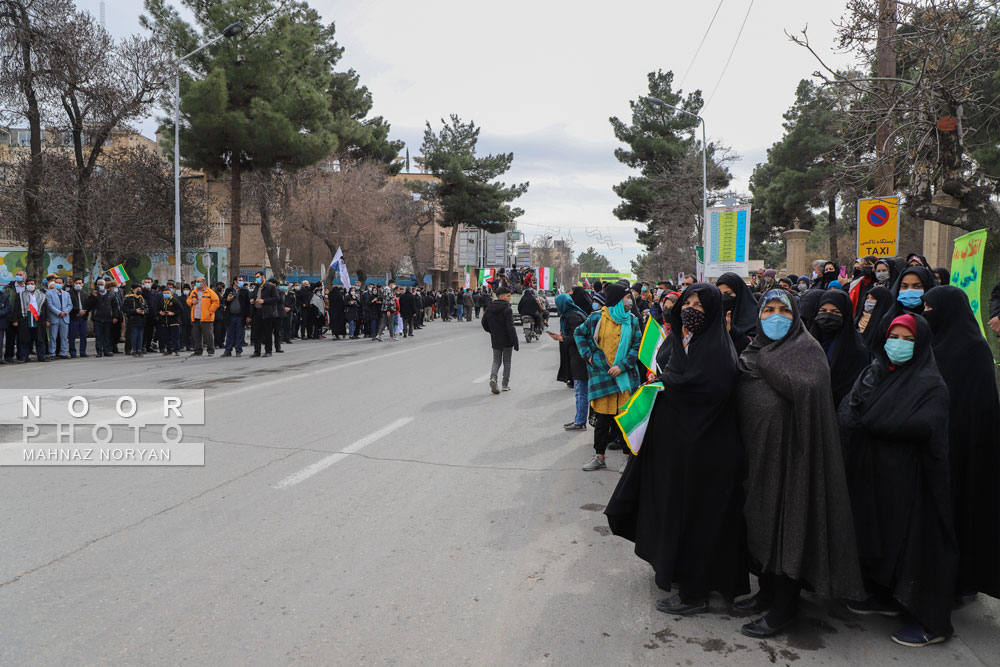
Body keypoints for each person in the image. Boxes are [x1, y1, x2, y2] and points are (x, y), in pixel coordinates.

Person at [605, 283, 748, 614]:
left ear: (714, 311)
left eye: (700, 304)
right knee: (679, 517)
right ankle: (684, 577)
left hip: (704, 455)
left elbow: (702, 395)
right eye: (688, 302)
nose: (691, 309)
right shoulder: (688, 342)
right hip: (681, 452)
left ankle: (695, 595)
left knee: (698, 521)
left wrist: (667, 386)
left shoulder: (716, 351)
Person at [733, 289, 865, 637]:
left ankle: (784, 609)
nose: (775, 317)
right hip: (757, 458)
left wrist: (771, 367)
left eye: (784, 311)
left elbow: (812, 396)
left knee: (787, 527)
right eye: (769, 310)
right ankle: (766, 592)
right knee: (761, 522)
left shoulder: (807, 352)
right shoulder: (751, 353)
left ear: (795, 318)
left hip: (795, 460)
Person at [838, 313, 957, 647]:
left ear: (920, 345)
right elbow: (851, 409)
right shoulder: (875, 372)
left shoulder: (930, 383)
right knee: (882, 536)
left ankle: (932, 624)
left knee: (916, 546)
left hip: (913, 480)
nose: (899, 345)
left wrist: (876, 421)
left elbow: (924, 426)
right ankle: (886, 597)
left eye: (908, 340)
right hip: (877, 474)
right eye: (895, 337)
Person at [923, 286, 1000, 603]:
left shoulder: (974, 350)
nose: (925, 313)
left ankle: (954, 586)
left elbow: (978, 411)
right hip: (935, 447)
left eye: (930, 307)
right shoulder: (932, 345)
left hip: (961, 453)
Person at [574, 281, 642, 473]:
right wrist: (589, 356)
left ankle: (628, 459)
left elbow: (638, 346)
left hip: (625, 379)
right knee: (602, 421)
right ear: (616, 300)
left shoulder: (633, 321)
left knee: (626, 421)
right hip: (602, 377)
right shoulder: (596, 318)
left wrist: (622, 366)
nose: (631, 301)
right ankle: (599, 457)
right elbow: (579, 333)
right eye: (627, 298)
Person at [810, 290, 869, 406]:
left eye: (835, 312)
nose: (827, 315)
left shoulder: (857, 349)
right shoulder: (809, 341)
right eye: (822, 311)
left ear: (846, 314)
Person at [551, 293, 589, 430]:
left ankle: (580, 421)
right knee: (581, 390)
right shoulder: (575, 314)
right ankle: (579, 419)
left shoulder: (573, 317)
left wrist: (562, 339)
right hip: (578, 356)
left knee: (581, 391)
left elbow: (578, 338)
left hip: (580, 358)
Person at [482, 286, 518, 393]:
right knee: (507, 361)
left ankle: (493, 378)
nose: (510, 298)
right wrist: (515, 341)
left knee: (496, 360)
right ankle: (505, 385)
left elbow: (484, 323)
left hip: (496, 338)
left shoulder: (489, 307)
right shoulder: (507, 309)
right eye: (508, 296)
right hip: (507, 340)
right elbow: (510, 327)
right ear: (501, 297)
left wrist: (492, 331)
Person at [716, 272, 757, 355]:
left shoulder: (757, 315)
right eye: (720, 295)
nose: (724, 298)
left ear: (739, 292)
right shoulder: (717, 315)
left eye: (728, 293)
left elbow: (755, 346)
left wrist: (732, 331)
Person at [16, 277, 48, 362]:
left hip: (38, 318)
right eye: (28, 284)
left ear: (35, 285)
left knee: (39, 339)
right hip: (25, 318)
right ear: (26, 286)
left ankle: (41, 356)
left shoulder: (42, 295)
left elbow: (46, 308)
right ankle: (24, 357)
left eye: (32, 284)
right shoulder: (20, 295)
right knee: (25, 339)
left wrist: (47, 320)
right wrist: (15, 320)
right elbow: (16, 308)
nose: (30, 285)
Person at [186, 278, 219, 356]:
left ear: (203, 283)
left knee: (208, 335)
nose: (197, 284)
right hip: (196, 317)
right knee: (196, 335)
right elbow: (188, 300)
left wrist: (210, 311)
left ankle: (210, 350)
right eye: (196, 282)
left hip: (206, 317)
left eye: (198, 282)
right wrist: (191, 302)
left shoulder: (210, 292)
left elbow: (216, 302)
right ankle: (198, 351)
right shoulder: (194, 292)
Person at [222, 277, 250, 357]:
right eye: (239, 280)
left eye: (242, 280)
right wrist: (227, 299)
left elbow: (248, 305)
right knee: (229, 334)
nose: (241, 282)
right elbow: (224, 300)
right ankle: (228, 350)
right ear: (235, 281)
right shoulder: (229, 290)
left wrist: (248, 316)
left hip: (240, 316)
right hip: (230, 315)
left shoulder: (245, 291)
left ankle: (238, 350)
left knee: (239, 334)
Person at [90, 279, 119, 358]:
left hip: (108, 318)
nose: (100, 286)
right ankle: (99, 351)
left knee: (107, 335)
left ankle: (106, 350)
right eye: (99, 284)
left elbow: (115, 307)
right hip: (97, 318)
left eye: (101, 284)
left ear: (105, 285)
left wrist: (115, 316)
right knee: (98, 336)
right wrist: (93, 297)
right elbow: (89, 305)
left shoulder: (111, 294)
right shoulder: (94, 294)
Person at [45, 277, 71, 359]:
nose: (58, 284)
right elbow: (49, 305)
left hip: (65, 318)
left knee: (64, 337)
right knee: (53, 337)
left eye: (60, 283)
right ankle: (52, 353)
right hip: (54, 317)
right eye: (56, 282)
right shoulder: (49, 293)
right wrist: (59, 312)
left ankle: (63, 352)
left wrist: (65, 312)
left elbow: (70, 305)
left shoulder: (66, 294)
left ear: (63, 284)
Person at [67, 277, 92, 358]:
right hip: (74, 317)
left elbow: (88, 305)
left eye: (80, 283)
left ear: (83, 284)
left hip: (83, 318)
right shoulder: (69, 293)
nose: (78, 285)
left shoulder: (85, 294)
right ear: (74, 283)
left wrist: (85, 311)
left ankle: (83, 352)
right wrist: (78, 311)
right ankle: (72, 352)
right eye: (76, 283)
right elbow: (69, 305)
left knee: (83, 335)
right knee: (72, 336)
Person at [123, 284, 148, 358]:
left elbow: (147, 308)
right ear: (133, 290)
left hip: (141, 320)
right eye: (137, 289)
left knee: (140, 336)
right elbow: (125, 309)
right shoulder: (128, 299)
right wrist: (135, 311)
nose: (139, 290)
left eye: (140, 289)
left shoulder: (142, 299)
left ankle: (139, 350)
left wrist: (144, 312)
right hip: (133, 320)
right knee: (134, 336)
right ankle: (134, 350)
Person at [157, 284, 181, 356]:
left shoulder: (175, 301)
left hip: (174, 322)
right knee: (166, 337)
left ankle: (176, 350)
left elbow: (180, 310)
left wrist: (173, 313)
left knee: (175, 337)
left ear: (171, 293)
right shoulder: (161, 301)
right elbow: (157, 309)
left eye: (168, 293)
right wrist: (160, 312)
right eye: (165, 293)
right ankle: (168, 350)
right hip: (165, 322)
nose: (166, 294)